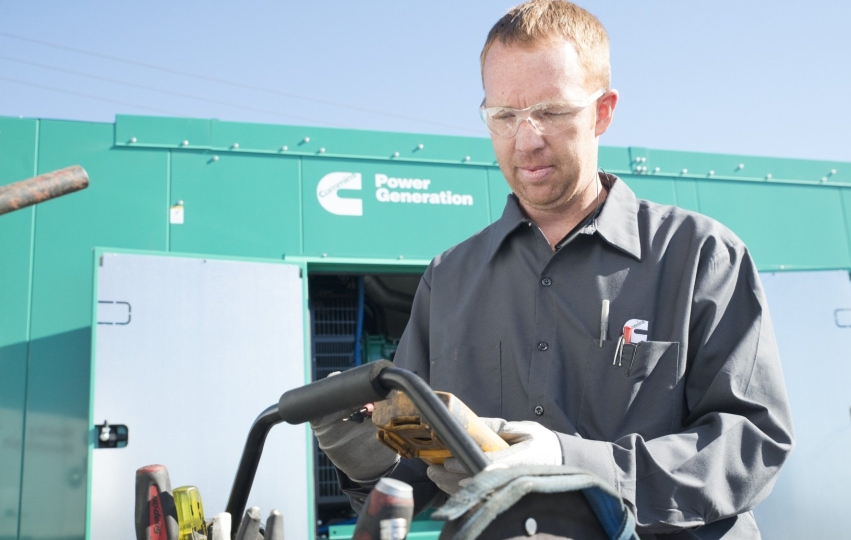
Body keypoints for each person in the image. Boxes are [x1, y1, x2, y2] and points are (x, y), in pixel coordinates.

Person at [312, 1, 794, 537]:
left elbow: (750, 444)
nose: (526, 139)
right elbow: (426, 478)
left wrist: (569, 462)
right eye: (504, 116)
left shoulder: (700, 255)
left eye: (552, 111)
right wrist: (369, 458)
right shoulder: (448, 280)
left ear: (603, 111)